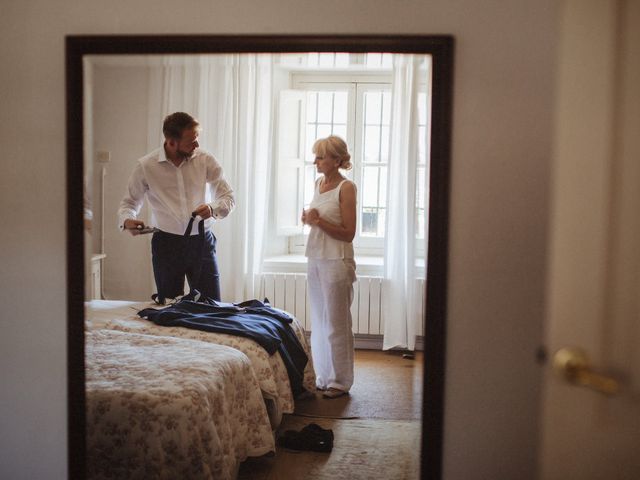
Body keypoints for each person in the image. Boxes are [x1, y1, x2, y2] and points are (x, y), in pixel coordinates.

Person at [118, 112, 234, 303]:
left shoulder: (205, 160)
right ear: (171, 142)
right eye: (191, 141)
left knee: (212, 306)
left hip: (201, 243)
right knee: (169, 307)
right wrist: (127, 220)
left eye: (197, 139)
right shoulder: (146, 166)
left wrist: (213, 208)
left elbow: (228, 196)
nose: (197, 145)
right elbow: (129, 203)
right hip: (166, 246)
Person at [301, 135, 357, 399]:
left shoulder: (347, 188)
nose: (316, 162)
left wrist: (319, 222)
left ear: (337, 160)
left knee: (337, 323)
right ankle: (323, 376)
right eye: (316, 156)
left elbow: (348, 233)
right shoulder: (318, 183)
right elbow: (318, 219)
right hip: (316, 258)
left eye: (321, 157)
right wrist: (309, 219)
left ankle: (341, 380)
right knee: (320, 321)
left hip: (337, 261)